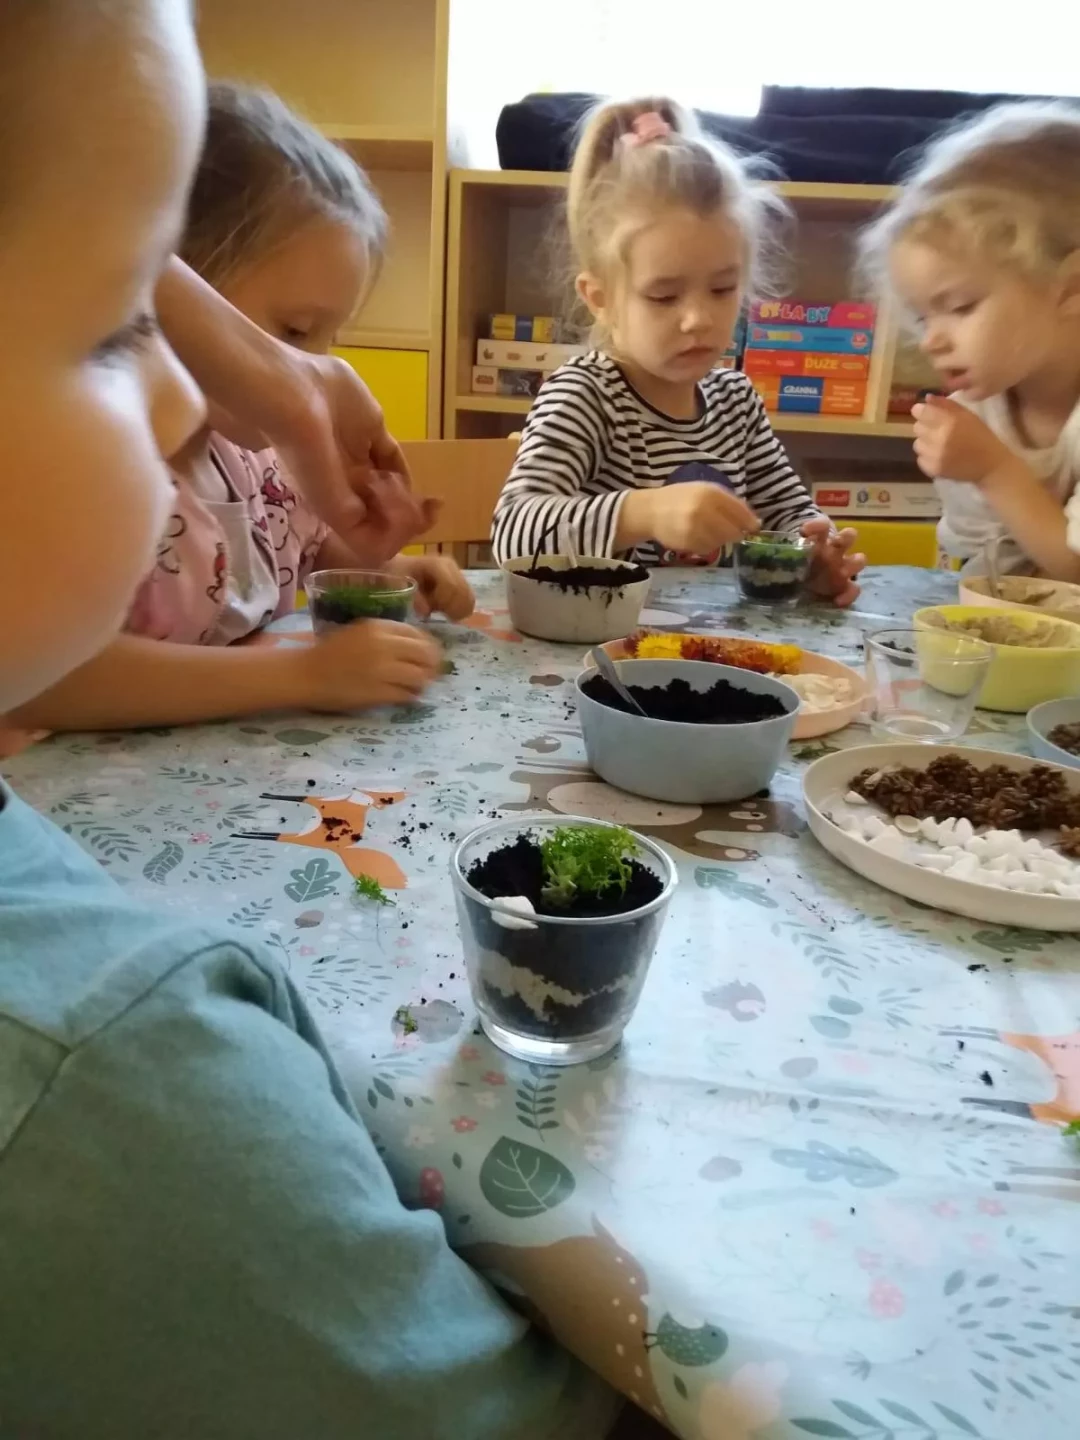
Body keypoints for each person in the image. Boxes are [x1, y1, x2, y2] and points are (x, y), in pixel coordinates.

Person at [0, 3, 640, 1434]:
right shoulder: (109, 1071)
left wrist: (297, 416)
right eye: (120, 326)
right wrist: (296, 671)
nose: (189, 389)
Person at [14, 82, 473, 732]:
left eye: (330, 339)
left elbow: (302, 554)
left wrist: (388, 573)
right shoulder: (92, 475)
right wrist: (300, 676)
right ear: (173, 291)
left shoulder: (257, 460)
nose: (314, 368)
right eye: (294, 332)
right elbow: (46, 679)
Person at [490, 97, 864, 607]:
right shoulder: (584, 396)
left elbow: (788, 514)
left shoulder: (736, 402)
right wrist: (645, 513)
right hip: (596, 644)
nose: (698, 319)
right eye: (664, 296)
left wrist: (813, 557)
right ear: (600, 298)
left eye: (722, 289)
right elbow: (514, 535)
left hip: (709, 643)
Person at [861, 101, 1080, 579]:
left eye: (961, 307)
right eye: (923, 316)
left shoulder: (987, 447)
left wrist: (992, 471)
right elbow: (990, 567)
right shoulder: (981, 412)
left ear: (1071, 289)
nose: (932, 341)